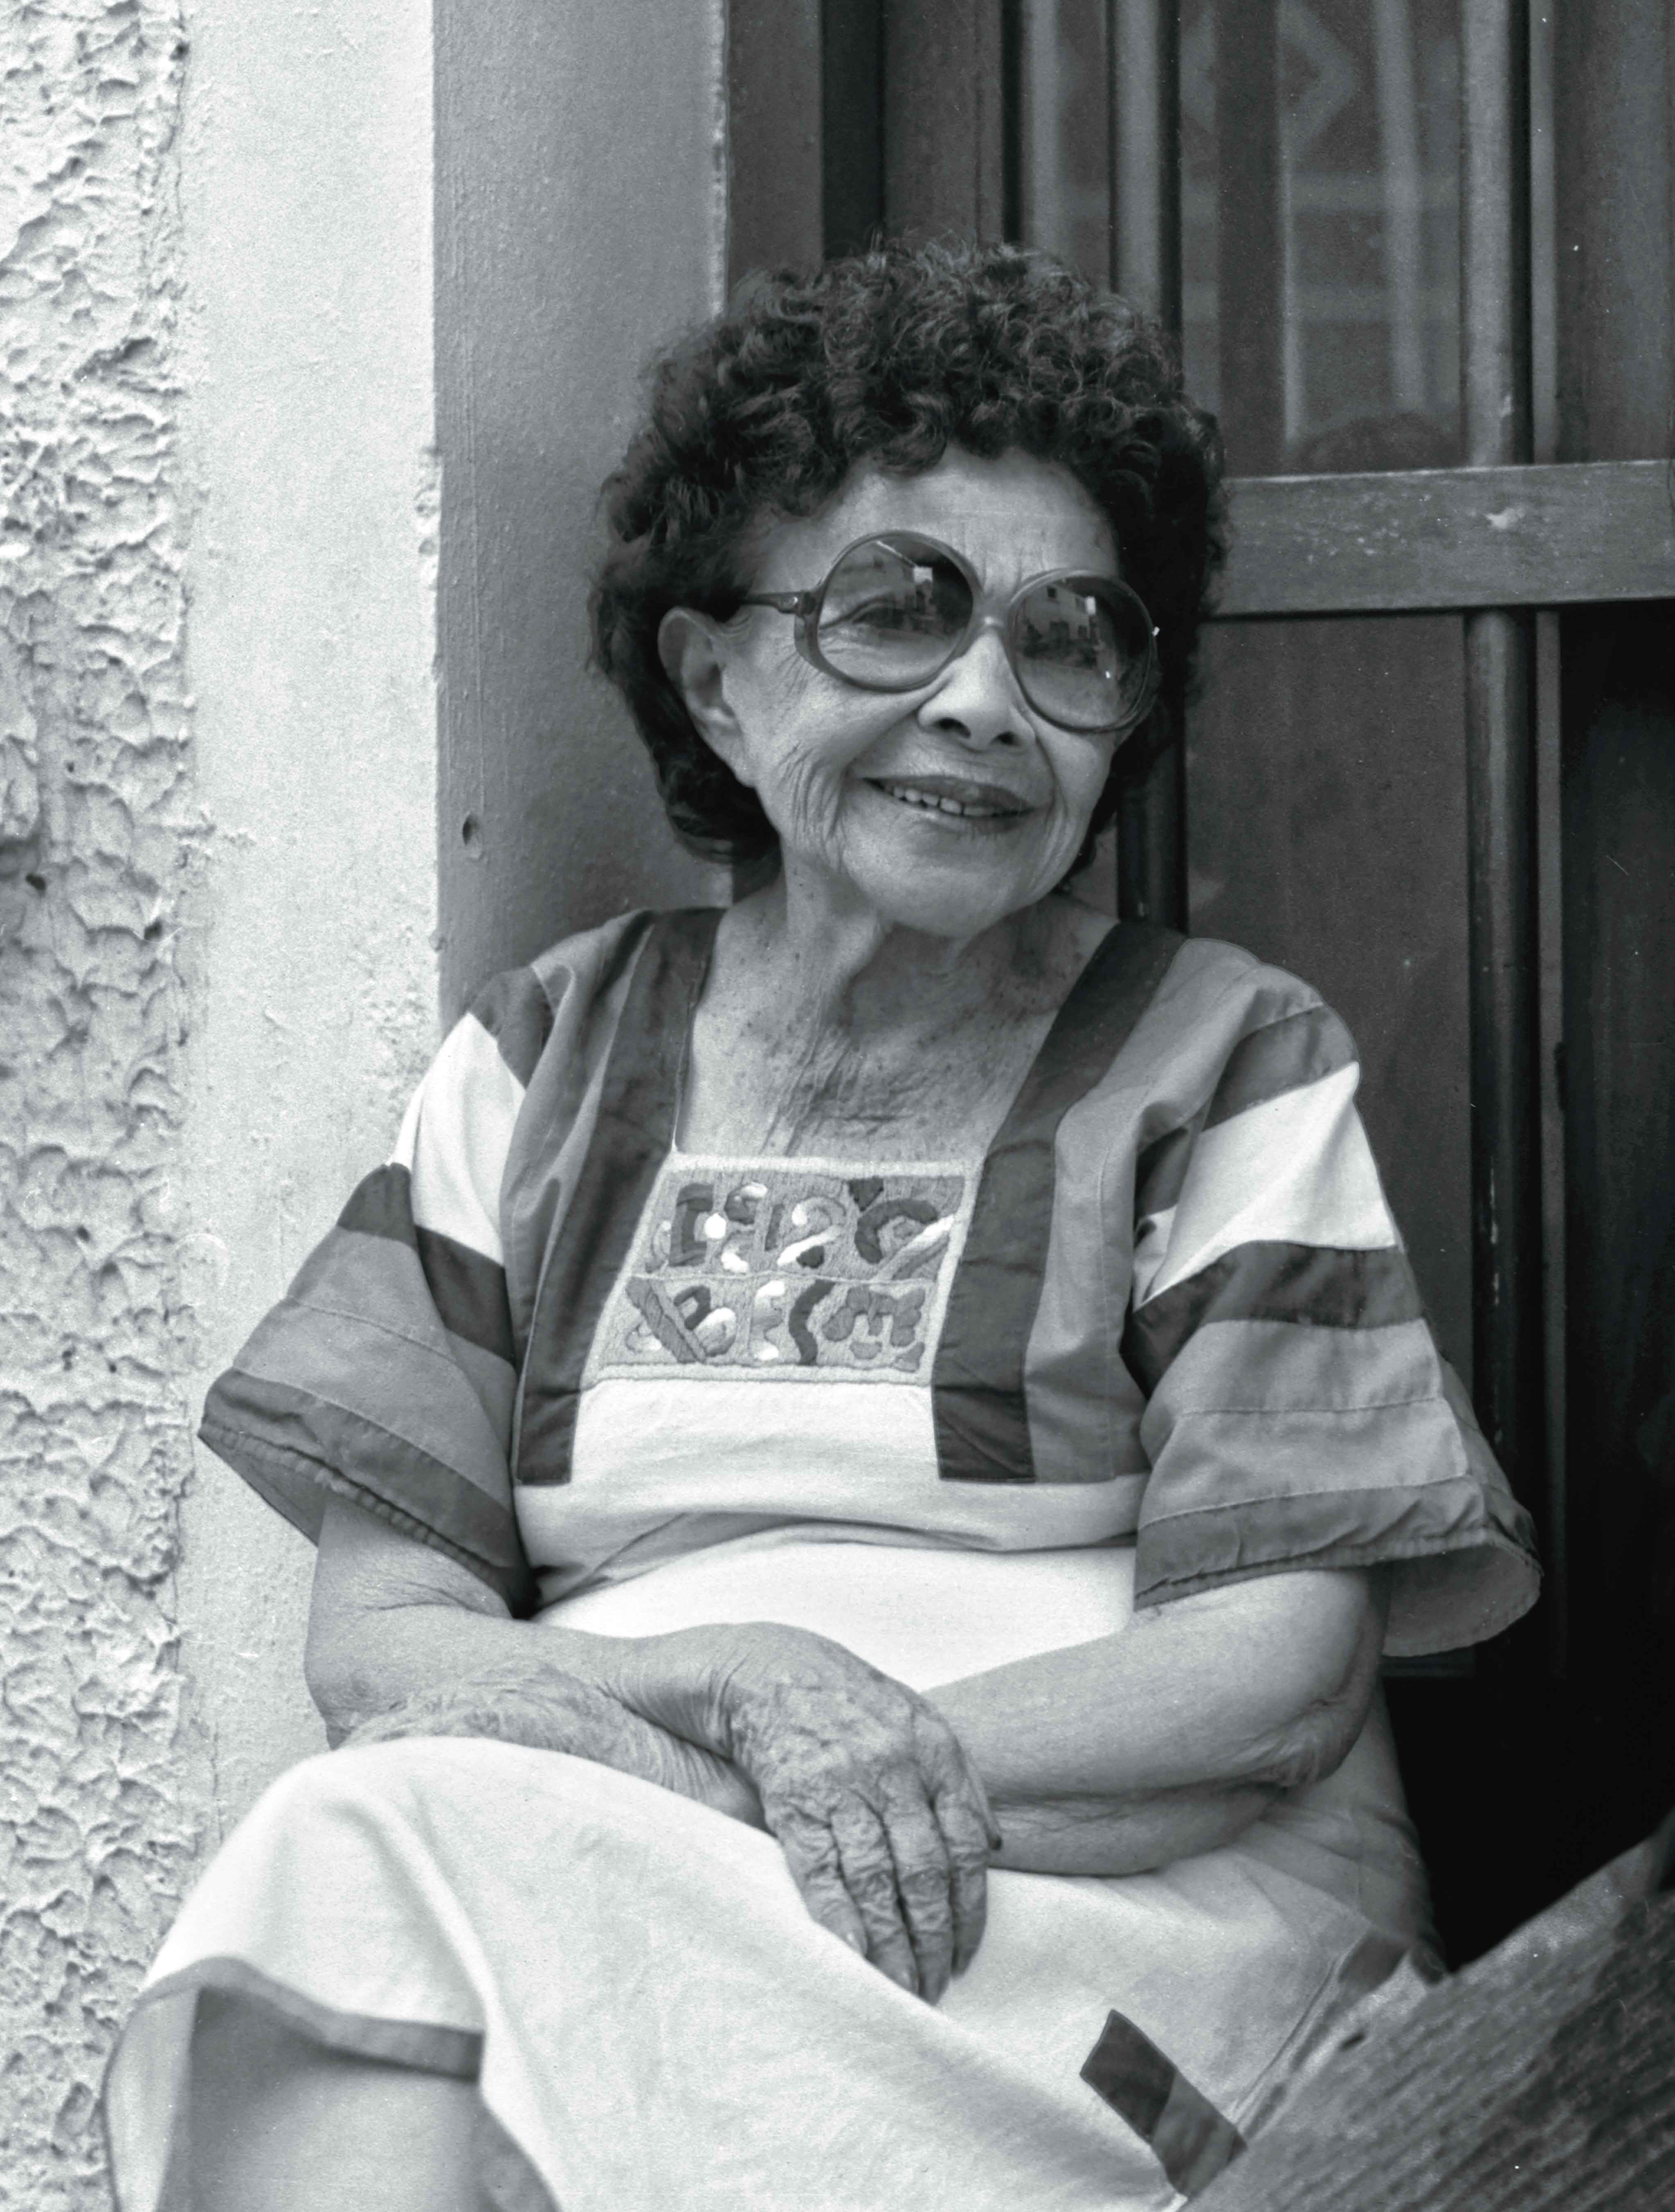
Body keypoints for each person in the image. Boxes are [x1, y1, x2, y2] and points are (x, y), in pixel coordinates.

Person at [102, 241, 1539, 2212]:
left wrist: (804, 1791)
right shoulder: (550, 1056)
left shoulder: (1221, 1056)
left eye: (1072, 641)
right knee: (356, 1860)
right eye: (895, 614)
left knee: (381, 1879)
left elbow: (1272, 1677)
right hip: (620, 1880)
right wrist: (745, 1695)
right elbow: (385, 1643)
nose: (984, 704)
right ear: (714, 673)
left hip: (1120, 1943)